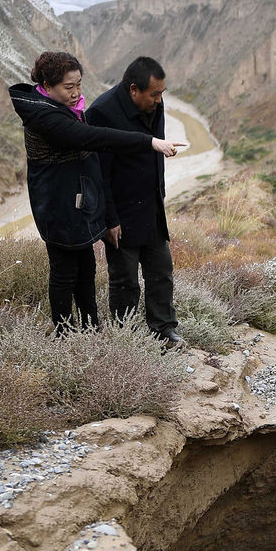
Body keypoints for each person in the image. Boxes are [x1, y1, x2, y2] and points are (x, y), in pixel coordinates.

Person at [9, 52, 181, 333]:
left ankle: (91, 330)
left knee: (86, 270)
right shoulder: (46, 117)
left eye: (79, 85)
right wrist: (149, 142)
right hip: (57, 206)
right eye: (69, 87)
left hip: (79, 203)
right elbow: (95, 138)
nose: (77, 93)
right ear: (47, 86)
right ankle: (65, 334)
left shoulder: (68, 109)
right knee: (65, 273)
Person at [86, 56, 188, 346]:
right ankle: (127, 339)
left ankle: (164, 330)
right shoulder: (102, 112)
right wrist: (109, 219)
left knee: (161, 271)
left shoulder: (154, 104)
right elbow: (99, 173)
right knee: (125, 280)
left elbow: (154, 150)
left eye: (162, 94)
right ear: (134, 89)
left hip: (151, 205)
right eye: (154, 94)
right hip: (121, 211)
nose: (159, 100)